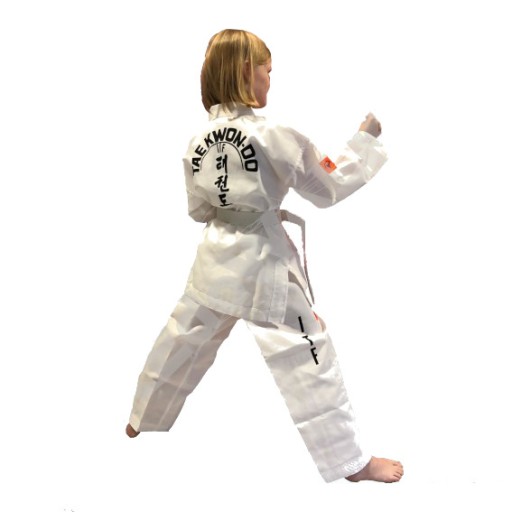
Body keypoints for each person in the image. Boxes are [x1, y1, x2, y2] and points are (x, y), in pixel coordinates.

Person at [126, 28, 404, 484]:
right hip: (265, 266)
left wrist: (233, 208)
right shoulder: (275, 135)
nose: (270, 80)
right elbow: (328, 186)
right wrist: (364, 141)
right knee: (309, 354)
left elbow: (198, 210)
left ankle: (142, 417)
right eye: (266, 70)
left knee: (183, 336)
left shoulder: (196, 141)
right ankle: (350, 463)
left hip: (215, 261)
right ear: (245, 72)